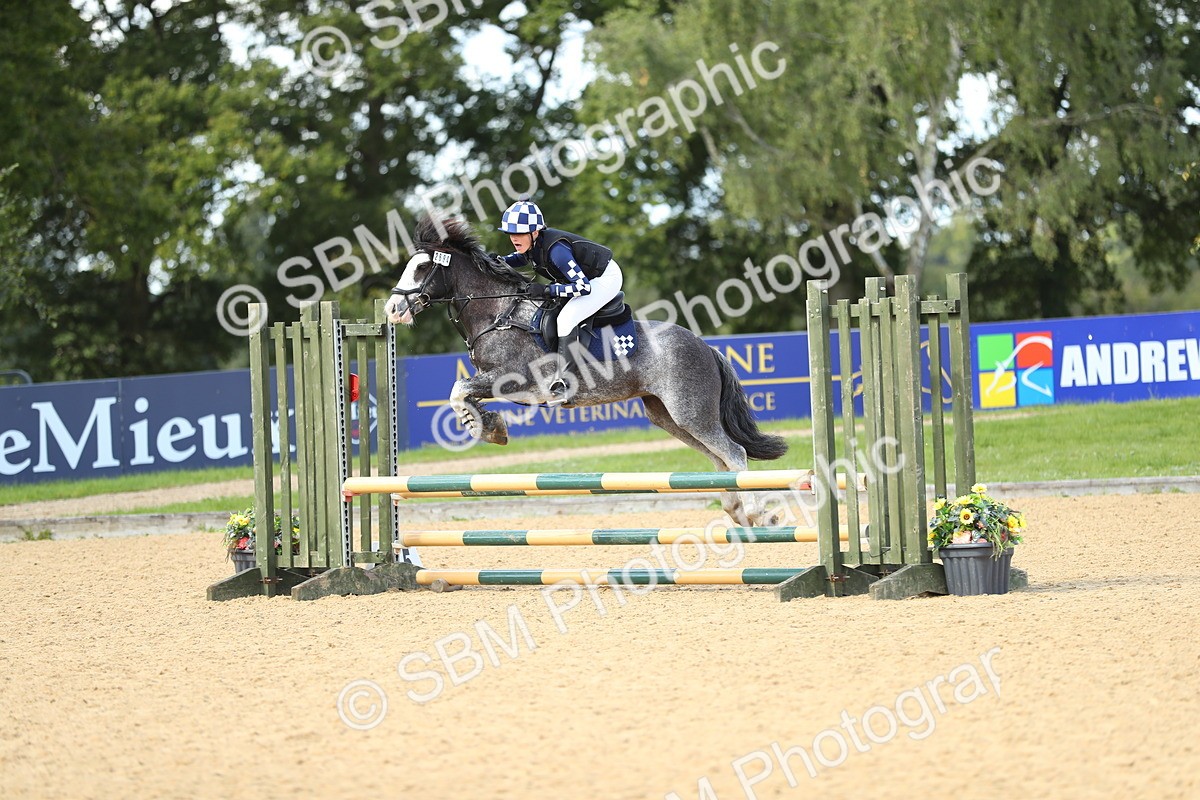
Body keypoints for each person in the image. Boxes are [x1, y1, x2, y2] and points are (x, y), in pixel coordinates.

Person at [496, 198, 623, 403]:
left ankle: (565, 384)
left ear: (535, 232)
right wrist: (497, 260)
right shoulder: (533, 245)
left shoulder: (557, 251)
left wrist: (547, 289)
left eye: (518, 233)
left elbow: (583, 287)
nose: (513, 238)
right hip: (587, 280)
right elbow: (521, 258)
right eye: (510, 233)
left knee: (566, 318)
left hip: (604, 279)